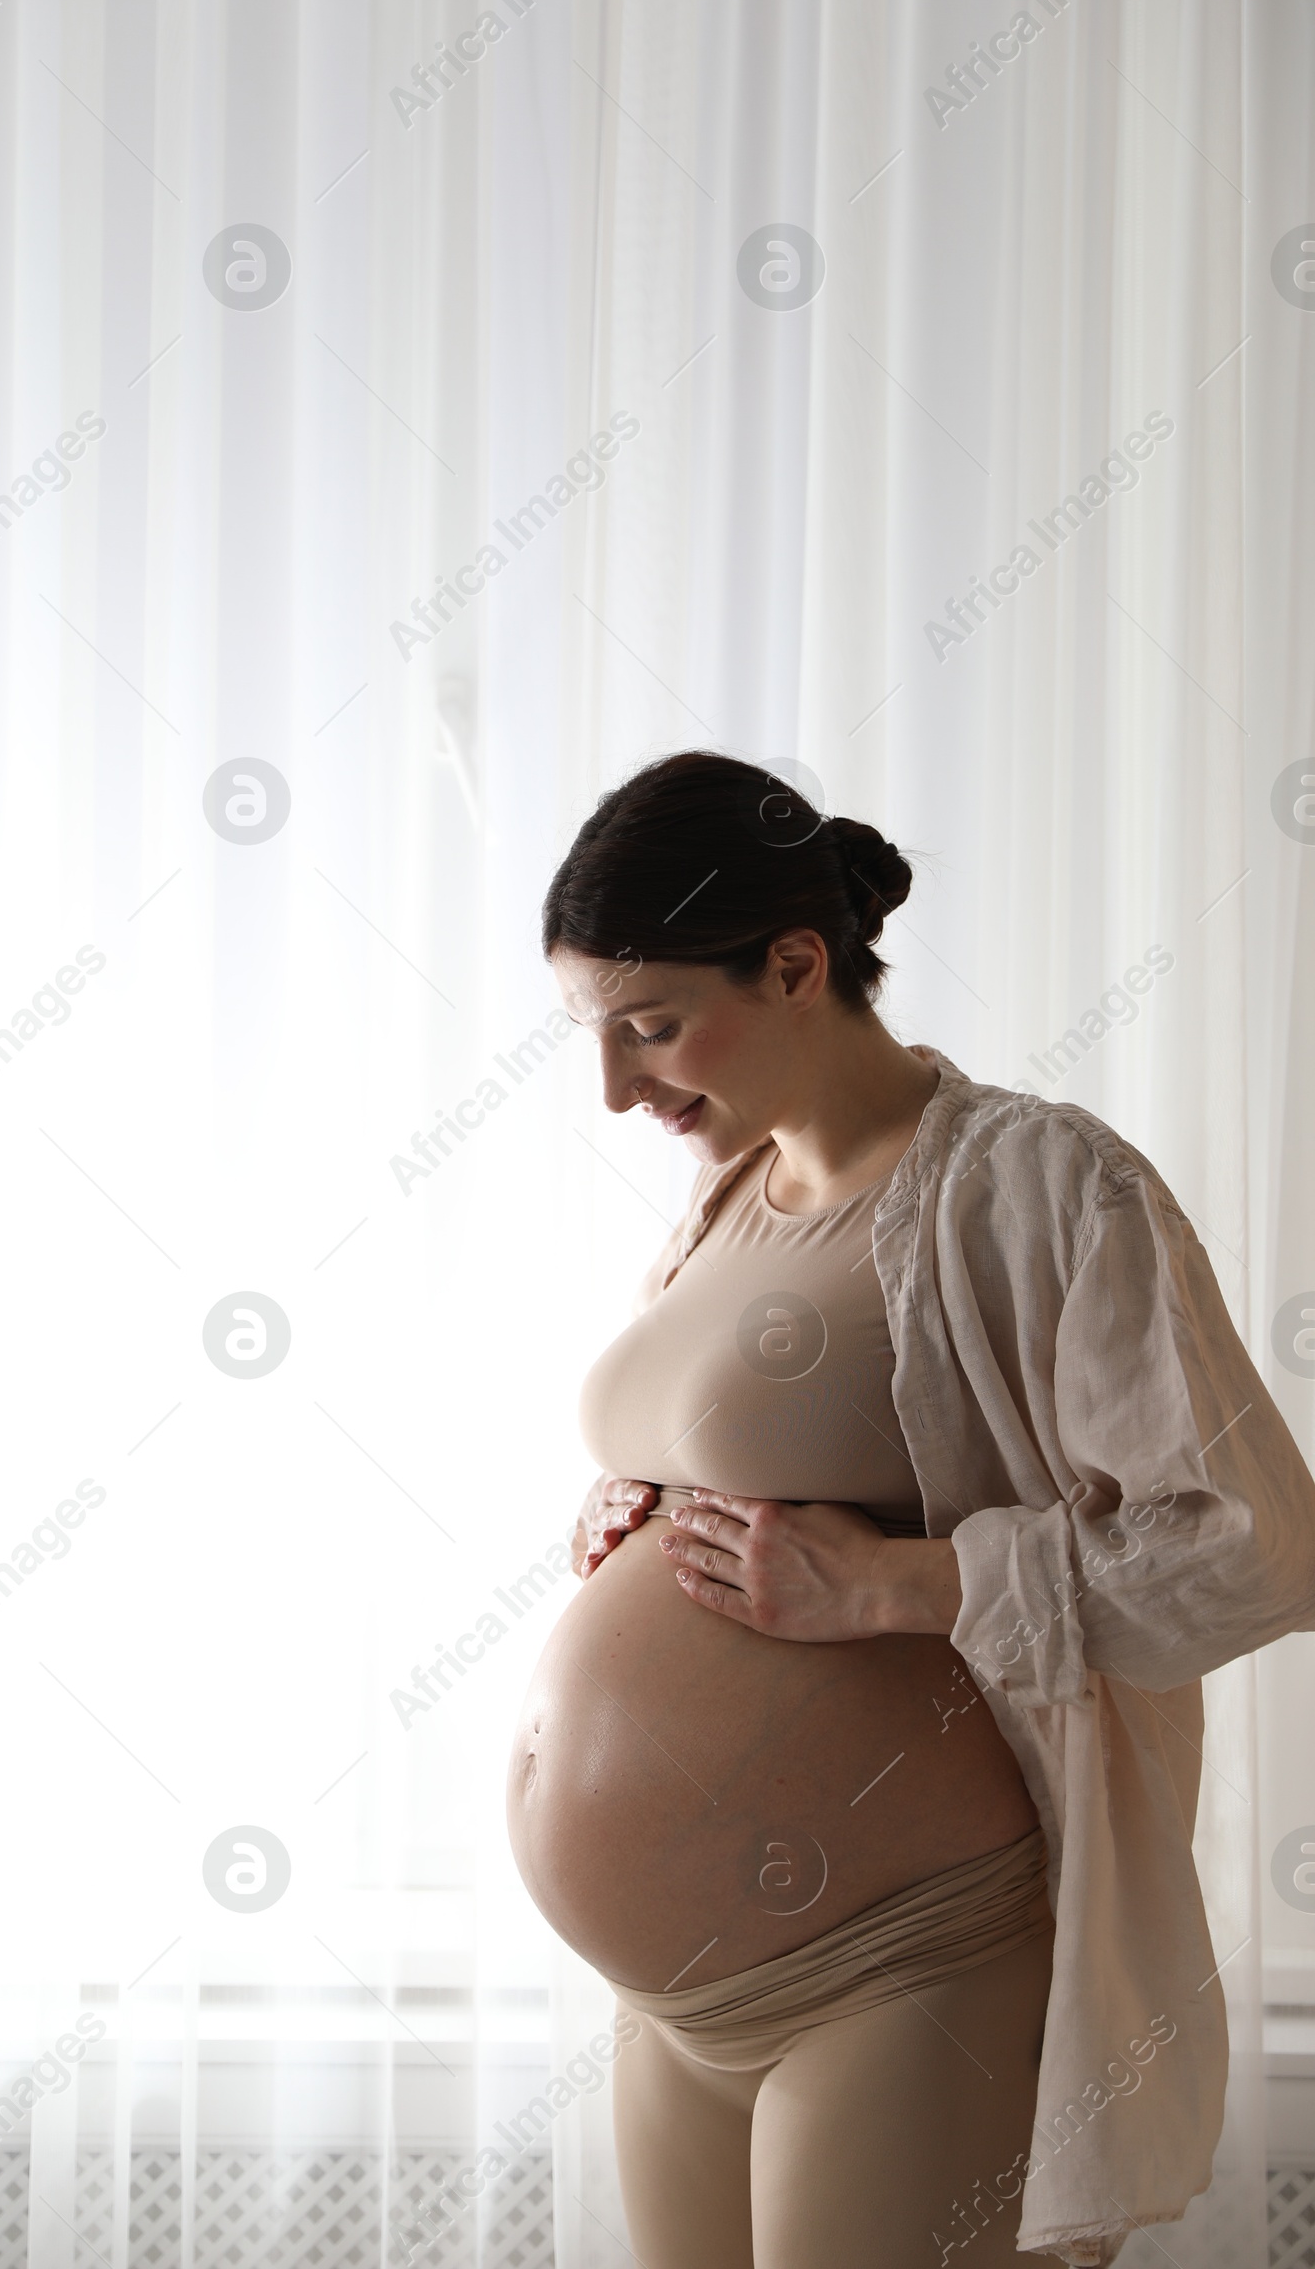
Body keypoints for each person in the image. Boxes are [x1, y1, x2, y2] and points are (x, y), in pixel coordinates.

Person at [504, 750, 1315, 2269]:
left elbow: (1255, 1548)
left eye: (652, 1026)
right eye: (592, 1037)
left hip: (898, 1969)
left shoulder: (1037, 1185)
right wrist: (644, 1505)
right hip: (680, 2000)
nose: (616, 1087)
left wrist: (890, 1587)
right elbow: (799, 1455)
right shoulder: (727, 1193)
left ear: (798, 964)